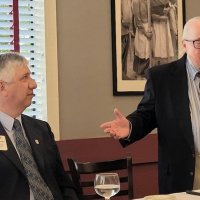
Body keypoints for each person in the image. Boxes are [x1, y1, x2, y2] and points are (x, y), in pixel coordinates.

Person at [100, 16, 200, 194]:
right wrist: (129, 127)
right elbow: (146, 115)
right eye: (198, 43)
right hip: (183, 174)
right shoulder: (162, 78)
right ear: (184, 45)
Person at [0, 52, 79, 200]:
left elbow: (63, 184)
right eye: (24, 78)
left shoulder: (41, 129)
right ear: (2, 87)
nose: (33, 84)